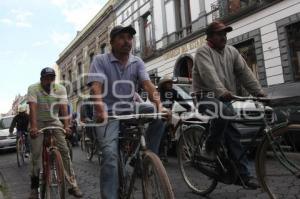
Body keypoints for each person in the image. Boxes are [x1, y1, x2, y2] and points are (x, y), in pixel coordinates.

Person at [87, 25, 168, 199]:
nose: (127, 41)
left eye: (130, 38)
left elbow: (147, 85)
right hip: (108, 113)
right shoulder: (100, 60)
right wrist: (100, 110)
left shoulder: (137, 61)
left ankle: (146, 162)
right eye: (122, 37)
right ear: (111, 43)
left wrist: (160, 106)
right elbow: (96, 88)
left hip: (130, 107)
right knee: (109, 157)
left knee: (158, 115)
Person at [192, 21, 266, 189]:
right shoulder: (203, 51)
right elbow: (208, 74)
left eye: (225, 34)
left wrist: (258, 92)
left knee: (234, 136)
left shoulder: (232, 51)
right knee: (221, 113)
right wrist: (220, 91)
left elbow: (244, 73)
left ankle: (242, 176)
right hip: (205, 96)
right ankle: (210, 146)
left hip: (224, 98)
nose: (224, 37)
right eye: (219, 34)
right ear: (210, 37)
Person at [27, 67, 83, 199]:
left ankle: (72, 185)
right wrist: (34, 127)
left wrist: (67, 126)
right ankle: (34, 188)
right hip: (38, 121)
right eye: (47, 78)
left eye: (52, 78)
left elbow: (63, 108)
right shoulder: (33, 88)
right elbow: (32, 108)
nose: (50, 81)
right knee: (35, 155)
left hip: (54, 120)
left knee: (64, 150)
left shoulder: (60, 89)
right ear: (41, 79)